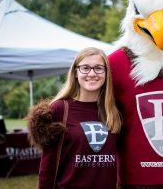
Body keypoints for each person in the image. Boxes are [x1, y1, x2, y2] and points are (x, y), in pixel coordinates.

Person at [27, 47, 121, 189]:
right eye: (85, 68)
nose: (92, 73)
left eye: (98, 68)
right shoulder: (59, 109)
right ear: (76, 73)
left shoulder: (114, 110)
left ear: (106, 73)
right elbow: (48, 165)